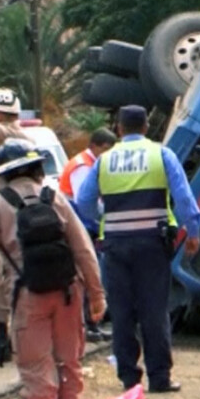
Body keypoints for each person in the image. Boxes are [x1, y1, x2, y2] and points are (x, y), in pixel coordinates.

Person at [0, 139, 106, 399]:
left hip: (28, 296)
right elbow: (82, 248)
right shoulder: (55, 197)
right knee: (69, 366)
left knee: (37, 373)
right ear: (36, 167)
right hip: (68, 293)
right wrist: (97, 295)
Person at [76, 105, 200, 393]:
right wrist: (192, 232)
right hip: (152, 245)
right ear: (146, 127)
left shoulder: (104, 161)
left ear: (119, 129)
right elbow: (183, 198)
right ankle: (159, 378)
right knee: (154, 310)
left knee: (121, 312)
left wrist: (103, 219)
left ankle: (129, 378)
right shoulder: (162, 155)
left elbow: (83, 202)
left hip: (115, 245)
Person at [0, 88, 32, 365]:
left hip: (12, 218)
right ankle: (3, 339)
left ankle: (9, 339)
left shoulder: (14, 137)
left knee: (8, 278)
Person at [60, 127, 117, 342]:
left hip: (84, 225)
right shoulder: (83, 166)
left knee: (90, 275)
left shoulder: (92, 164)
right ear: (93, 146)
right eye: (105, 149)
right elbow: (83, 201)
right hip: (79, 225)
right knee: (86, 275)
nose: (108, 154)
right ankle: (88, 324)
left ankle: (91, 323)